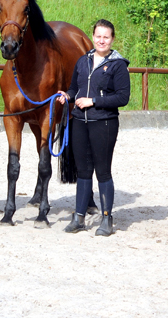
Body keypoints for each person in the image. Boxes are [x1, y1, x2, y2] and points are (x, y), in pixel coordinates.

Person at [57, 19, 130, 236]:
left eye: (106, 37)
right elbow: (74, 89)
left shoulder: (118, 65)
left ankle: (107, 219)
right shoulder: (82, 61)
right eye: (98, 36)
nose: (101, 40)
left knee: (103, 171)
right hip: (79, 122)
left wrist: (93, 101)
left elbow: (122, 97)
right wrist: (67, 96)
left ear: (112, 39)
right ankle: (79, 216)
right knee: (83, 171)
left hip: (104, 123)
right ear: (93, 37)